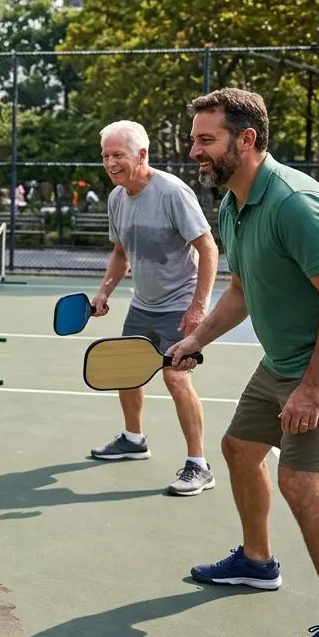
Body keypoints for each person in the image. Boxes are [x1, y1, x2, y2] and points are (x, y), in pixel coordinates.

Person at [165, 87, 319, 637]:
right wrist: (196, 339)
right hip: (283, 359)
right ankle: (258, 561)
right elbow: (240, 290)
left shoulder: (296, 203)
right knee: (239, 449)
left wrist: (312, 387)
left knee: (302, 485)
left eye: (206, 140)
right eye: (194, 139)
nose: (195, 151)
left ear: (247, 139)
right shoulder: (232, 204)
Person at [87, 120, 219, 497]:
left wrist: (198, 308)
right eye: (106, 156)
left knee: (176, 378)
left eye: (118, 155)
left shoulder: (172, 193)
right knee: (127, 372)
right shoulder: (116, 198)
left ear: (142, 155)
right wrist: (104, 293)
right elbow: (120, 253)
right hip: (142, 304)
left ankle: (199, 465)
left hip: (179, 304)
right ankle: (134, 440)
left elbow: (208, 249)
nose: (110, 163)